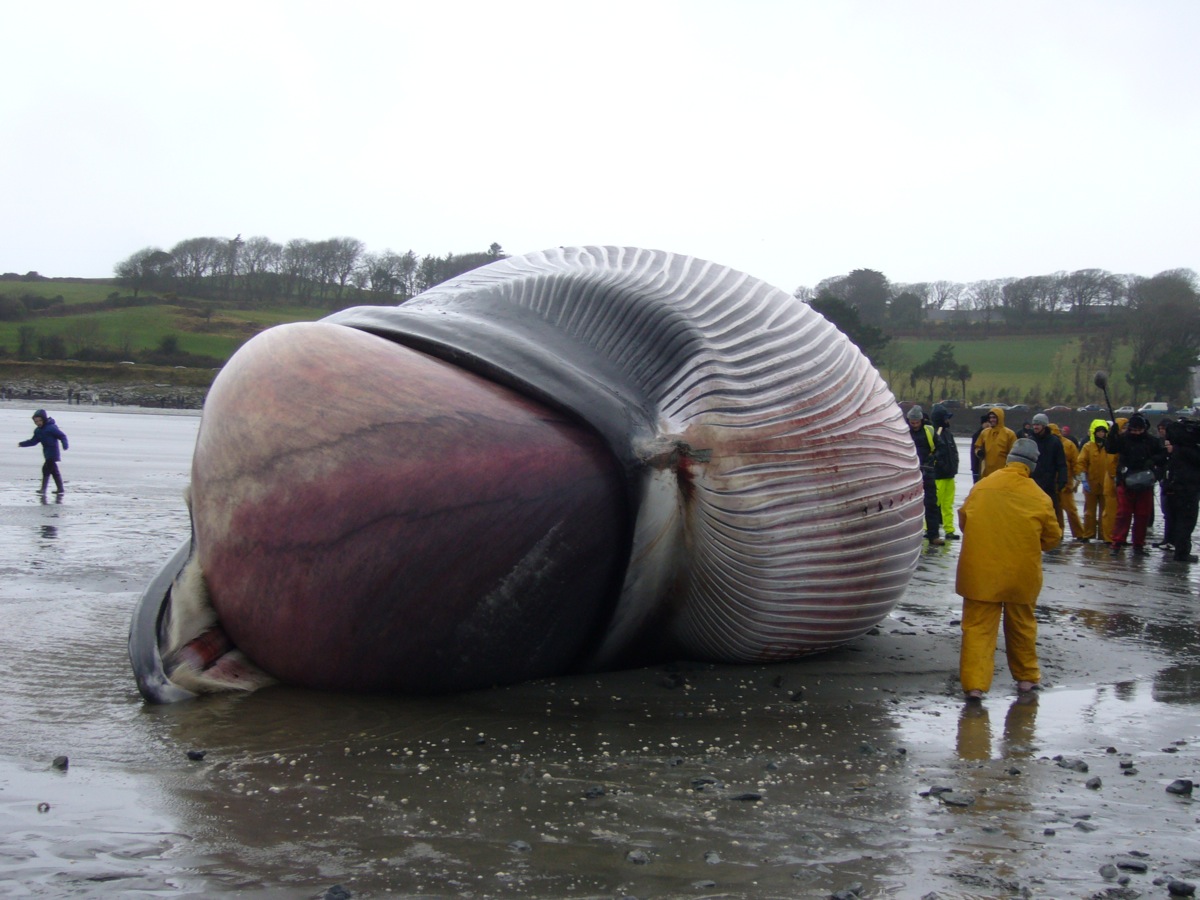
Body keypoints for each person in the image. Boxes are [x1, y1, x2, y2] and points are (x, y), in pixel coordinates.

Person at [956, 438, 1063, 700]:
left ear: (1009, 459)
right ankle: (1026, 678)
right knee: (1022, 627)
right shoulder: (1039, 497)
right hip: (1021, 575)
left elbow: (964, 521)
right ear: (1032, 466)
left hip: (980, 573)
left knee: (978, 629)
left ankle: (975, 686)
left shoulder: (982, 487)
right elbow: (1052, 538)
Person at [1105, 413, 1166, 557]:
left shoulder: (1151, 441)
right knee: (1123, 514)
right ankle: (1117, 543)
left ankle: (1138, 545)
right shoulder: (1123, 440)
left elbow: (1163, 457)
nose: (1137, 433)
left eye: (1139, 430)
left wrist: (1153, 463)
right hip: (1126, 481)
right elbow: (1111, 448)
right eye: (1134, 430)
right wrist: (1112, 434)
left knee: (1142, 515)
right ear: (1129, 429)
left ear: (1144, 429)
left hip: (1145, 482)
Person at [1162, 418, 1200, 563]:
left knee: (1178, 519)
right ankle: (1182, 552)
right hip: (1188, 489)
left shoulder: (1176, 450)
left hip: (1176, 487)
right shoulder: (1191, 451)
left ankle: (1178, 548)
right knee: (1187, 521)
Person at [907, 405, 942, 545]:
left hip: (927, 472)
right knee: (909, 506)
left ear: (921, 420)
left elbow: (941, 447)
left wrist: (933, 458)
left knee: (931, 504)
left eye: (916, 422)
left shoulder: (930, 431)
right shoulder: (903, 431)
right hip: (909, 473)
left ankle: (933, 536)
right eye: (912, 422)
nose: (914, 424)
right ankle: (909, 535)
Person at [18, 408, 69, 494]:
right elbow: (33, 441)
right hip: (46, 453)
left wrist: (65, 444)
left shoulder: (51, 428)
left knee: (46, 469)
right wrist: (22, 444)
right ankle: (60, 489)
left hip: (53, 453)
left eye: (40, 421)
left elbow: (62, 436)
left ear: (44, 419)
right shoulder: (38, 431)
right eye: (36, 421)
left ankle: (43, 489)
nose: (38, 423)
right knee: (54, 471)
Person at [1076, 419, 1111, 543]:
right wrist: (1083, 479)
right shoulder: (1087, 447)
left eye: (1103, 432)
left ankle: (1105, 535)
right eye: (1099, 431)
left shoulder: (1109, 446)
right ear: (1094, 432)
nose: (1101, 434)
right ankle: (1088, 534)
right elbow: (1081, 463)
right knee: (1089, 512)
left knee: (1105, 512)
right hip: (1090, 483)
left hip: (1106, 484)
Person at [1027, 413, 1068, 513]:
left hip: (1049, 484)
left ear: (1044, 426)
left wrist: (1062, 480)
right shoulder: (1030, 441)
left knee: (1051, 512)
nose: (1035, 427)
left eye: (1038, 424)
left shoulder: (1054, 442)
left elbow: (1061, 463)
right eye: (1034, 424)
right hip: (1033, 483)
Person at [931, 403, 960, 540]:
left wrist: (953, 467)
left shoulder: (947, 433)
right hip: (939, 476)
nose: (948, 420)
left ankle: (949, 530)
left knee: (948, 505)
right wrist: (941, 465)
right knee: (934, 504)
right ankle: (929, 528)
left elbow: (952, 453)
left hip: (949, 476)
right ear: (940, 418)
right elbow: (934, 452)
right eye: (946, 417)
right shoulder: (936, 432)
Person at [1051, 422, 1085, 539]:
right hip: (1052, 483)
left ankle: (1079, 534)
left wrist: (1077, 479)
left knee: (1070, 510)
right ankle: (1058, 533)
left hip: (1066, 483)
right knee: (1057, 511)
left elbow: (1076, 462)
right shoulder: (1047, 444)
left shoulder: (1068, 445)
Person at [974, 407, 1016, 480]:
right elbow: (977, 447)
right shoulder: (984, 433)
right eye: (990, 418)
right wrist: (979, 452)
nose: (991, 420)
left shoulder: (1009, 434)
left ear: (1000, 418)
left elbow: (1014, 454)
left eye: (994, 417)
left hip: (1002, 474)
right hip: (986, 474)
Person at [969, 414, 988, 483]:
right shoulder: (977, 435)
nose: (988, 424)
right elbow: (973, 452)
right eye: (986, 422)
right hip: (978, 466)